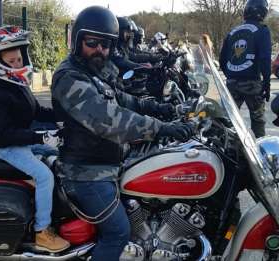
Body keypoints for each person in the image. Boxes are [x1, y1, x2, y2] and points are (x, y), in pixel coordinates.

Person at [50, 6, 196, 261]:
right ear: (77, 41)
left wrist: (162, 108)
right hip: (86, 172)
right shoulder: (70, 77)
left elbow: (123, 100)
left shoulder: (96, 70)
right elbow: (108, 118)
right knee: (118, 232)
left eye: (105, 44)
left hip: (107, 163)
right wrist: (160, 128)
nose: (100, 50)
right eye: (92, 42)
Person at [0, 25, 70, 253]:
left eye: (20, 57)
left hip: (21, 141)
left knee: (61, 155)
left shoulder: (14, 82)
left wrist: (66, 115)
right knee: (45, 175)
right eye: (13, 60)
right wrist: (38, 136)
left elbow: (36, 111)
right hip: (6, 148)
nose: (19, 63)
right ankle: (42, 231)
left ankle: (60, 211)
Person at [219, 0, 272, 137]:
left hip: (231, 83)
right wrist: (266, 83)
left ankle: (227, 152)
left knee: (228, 121)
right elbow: (265, 59)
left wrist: (231, 74)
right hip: (252, 83)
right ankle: (260, 152)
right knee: (258, 121)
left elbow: (222, 59)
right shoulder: (263, 30)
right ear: (263, 12)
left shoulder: (232, 32)